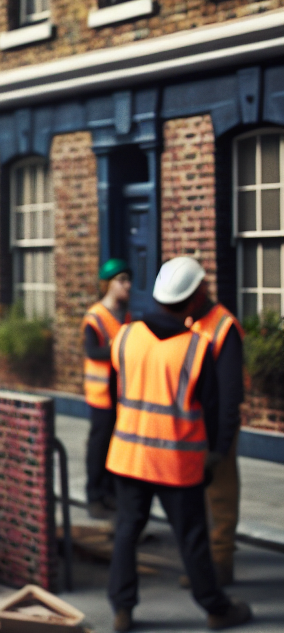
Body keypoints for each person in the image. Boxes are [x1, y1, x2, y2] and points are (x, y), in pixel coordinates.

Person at [106, 256, 250, 631]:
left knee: (126, 532)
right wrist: (215, 453)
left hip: (128, 457)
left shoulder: (125, 336)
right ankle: (216, 608)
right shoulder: (195, 348)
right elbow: (214, 408)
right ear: (194, 296)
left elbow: (112, 395)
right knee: (192, 537)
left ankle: (122, 610)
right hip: (176, 462)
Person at [186, 273, 245, 588]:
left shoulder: (224, 327)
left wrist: (221, 446)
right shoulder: (190, 322)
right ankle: (203, 566)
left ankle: (221, 564)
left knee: (220, 495)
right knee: (196, 499)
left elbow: (230, 395)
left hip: (217, 427)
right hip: (193, 425)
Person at [83, 258, 132, 519]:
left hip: (121, 393)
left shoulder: (126, 316)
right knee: (99, 446)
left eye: (128, 280)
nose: (128, 285)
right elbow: (92, 351)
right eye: (121, 280)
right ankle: (94, 495)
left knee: (117, 446)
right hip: (101, 393)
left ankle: (111, 493)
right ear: (108, 284)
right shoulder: (95, 317)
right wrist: (119, 349)